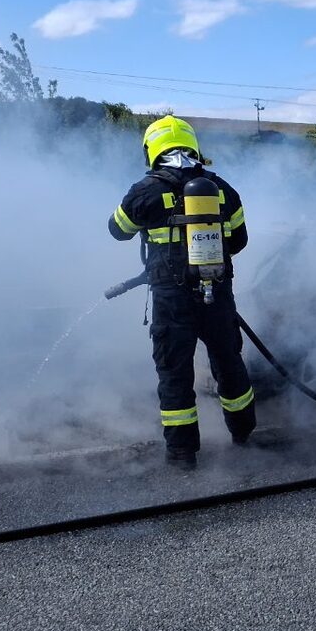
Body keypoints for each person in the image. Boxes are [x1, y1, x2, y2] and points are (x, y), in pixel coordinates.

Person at [108, 115, 256, 469]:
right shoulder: (221, 188)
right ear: (193, 146)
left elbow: (117, 230)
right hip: (217, 292)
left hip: (171, 298)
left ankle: (181, 452)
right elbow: (240, 240)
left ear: (152, 149)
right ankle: (243, 433)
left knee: (174, 371)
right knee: (229, 361)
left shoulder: (145, 190)